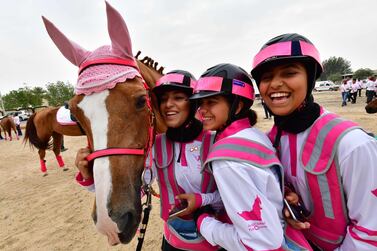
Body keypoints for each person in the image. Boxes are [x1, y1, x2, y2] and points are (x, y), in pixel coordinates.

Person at [251, 33, 377, 250]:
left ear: (310, 79)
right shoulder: (270, 140)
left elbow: (370, 230)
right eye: (266, 77)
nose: (275, 84)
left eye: (289, 73)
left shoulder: (352, 144)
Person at [75, 70, 222, 251]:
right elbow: (135, 190)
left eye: (178, 97)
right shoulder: (156, 145)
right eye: (163, 99)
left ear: (193, 103)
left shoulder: (216, 142)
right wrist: (88, 176)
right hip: (173, 240)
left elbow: (234, 198)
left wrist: (202, 200)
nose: (168, 104)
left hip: (216, 241)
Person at [190, 63, 311, 251]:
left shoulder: (226, 159)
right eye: (200, 103)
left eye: (211, 102)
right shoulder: (256, 135)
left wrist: (203, 222)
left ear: (237, 106)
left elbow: (261, 242)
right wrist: (203, 200)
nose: (201, 111)